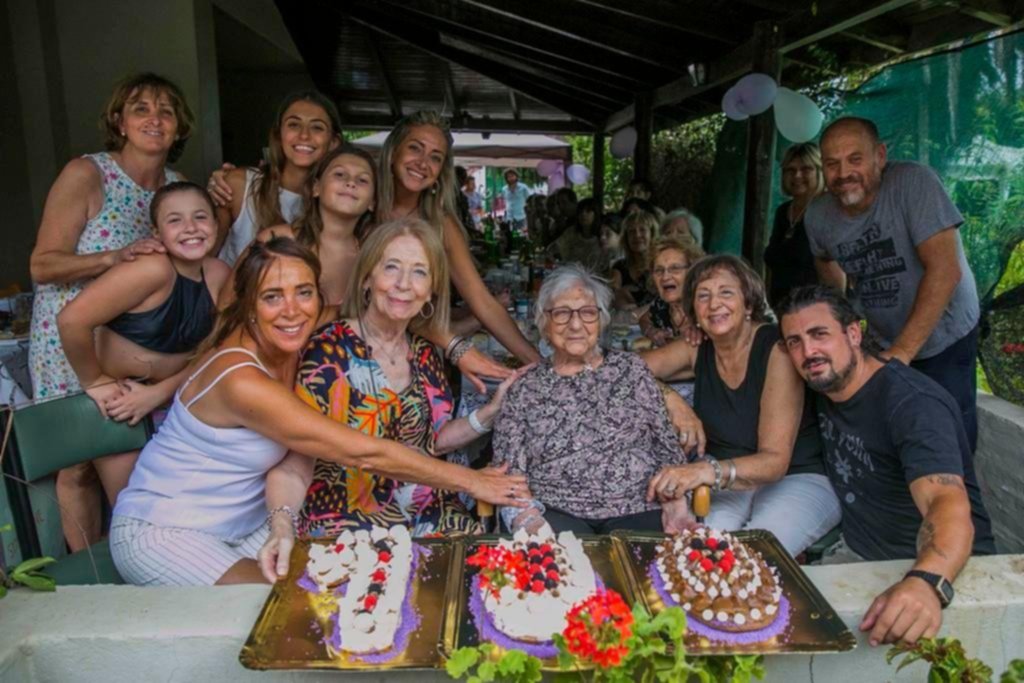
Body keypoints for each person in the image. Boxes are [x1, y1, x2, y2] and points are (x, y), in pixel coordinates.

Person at [109, 237, 528, 586]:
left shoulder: (298, 331)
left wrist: (457, 349)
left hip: (246, 521)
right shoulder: (241, 377)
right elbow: (362, 451)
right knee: (274, 604)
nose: (292, 310)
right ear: (248, 303)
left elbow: (393, 306)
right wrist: (471, 481)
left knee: (343, 585)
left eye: (304, 292)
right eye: (272, 296)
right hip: (164, 528)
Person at [266, 218, 529, 539]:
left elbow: (431, 442)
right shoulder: (327, 353)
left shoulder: (425, 352)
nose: (404, 283)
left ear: (431, 290)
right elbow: (298, 462)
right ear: (367, 278)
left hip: (428, 511)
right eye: (391, 267)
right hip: (349, 519)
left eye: (419, 271)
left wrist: (489, 412)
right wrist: (281, 524)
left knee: (487, 571)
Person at [28, 72, 192, 552]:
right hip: (71, 340)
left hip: (137, 344)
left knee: (131, 455)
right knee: (77, 463)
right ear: (119, 121)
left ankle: (132, 556)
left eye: (166, 111)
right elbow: (42, 265)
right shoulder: (87, 173)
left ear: (180, 127)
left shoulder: (178, 188)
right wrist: (111, 258)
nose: (155, 119)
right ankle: (89, 571)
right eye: (140, 108)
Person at [777, 285, 996, 646]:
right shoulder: (826, 387)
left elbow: (946, 501)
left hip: (925, 568)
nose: (808, 352)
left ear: (853, 333)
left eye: (819, 335)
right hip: (858, 554)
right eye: (795, 342)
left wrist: (927, 582)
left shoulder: (911, 404)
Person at [642, 255, 841, 557]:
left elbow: (774, 462)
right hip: (728, 477)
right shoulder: (698, 348)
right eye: (703, 295)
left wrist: (703, 471)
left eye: (726, 292)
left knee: (748, 556)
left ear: (748, 304)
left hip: (797, 476)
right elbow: (624, 370)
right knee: (698, 549)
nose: (714, 304)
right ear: (693, 309)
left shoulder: (777, 349)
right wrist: (672, 399)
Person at [806, 116, 981, 451]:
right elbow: (825, 260)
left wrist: (901, 352)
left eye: (855, 159)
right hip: (882, 337)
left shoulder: (914, 184)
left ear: (880, 156)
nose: (843, 174)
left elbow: (945, 271)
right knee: (889, 430)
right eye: (832, 164)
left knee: (948, 432)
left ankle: (961, 502)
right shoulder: (818, 215)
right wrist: (842, 322)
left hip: (945, 333)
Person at [493, 265, 690, 535]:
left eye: (587, 312)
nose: (576, 325)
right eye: (562, 313)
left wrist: (675, 501)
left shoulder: (632, 370)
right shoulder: (526, 387)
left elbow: (667, 450)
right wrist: (527, 517)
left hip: (637, 506)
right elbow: (508, 471)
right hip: (555, 512)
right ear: (544, 323)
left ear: (601, 321)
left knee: (652, 573)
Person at [375, 111, 540, 365]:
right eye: (415, 148)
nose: (422, 162)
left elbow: (483, 302)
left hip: (413, 362)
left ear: (441, 171)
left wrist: (539, 366)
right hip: (352, 355)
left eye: (435, 157)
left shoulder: (440, 224)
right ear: (393, 151)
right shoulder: (363, 208)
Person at [58, 182, 229, 426]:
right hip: (120, 403)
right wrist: (95, 381)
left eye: (200, 217)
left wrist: (160, 393)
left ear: (215, 224)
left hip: (181, 399)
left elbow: (217, 349)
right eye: (174, 220)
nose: (190, 228)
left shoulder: (220, 274)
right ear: (157, 233)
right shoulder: (151, 267)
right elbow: (71, 321)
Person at [227, 144, 376, 311]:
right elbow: (226, 305)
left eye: (362, 180)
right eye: (340, 174)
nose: (350, 183)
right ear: (316, 188)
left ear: (372, 201)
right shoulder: (276, 239)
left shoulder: (373, 256)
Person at [209, 91, 342, 265]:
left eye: (317, 127)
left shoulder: (338, 201)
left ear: (333, 142)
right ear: (279, 134)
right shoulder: (239, 184)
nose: (304, 135)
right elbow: (203, 259)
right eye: (294, 125)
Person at [764, 143, 825, 308]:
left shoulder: (828, 211)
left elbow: (836, 282)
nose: (797, 175)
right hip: (782, 310)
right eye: (790, 170)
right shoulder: (783, 212)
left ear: (820, 171)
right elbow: (772, 263)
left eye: (806, 169)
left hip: (815, 312)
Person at [639, 236, 704, 347]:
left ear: (693, 271)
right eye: (659, 270)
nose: (665, 277)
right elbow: (643, 320)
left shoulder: (705, 305)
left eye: (675, 268)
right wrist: (652, 331)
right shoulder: (661, 304)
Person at [611, 210, 657, 308]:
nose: (637, 235)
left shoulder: (662, 265)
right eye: (632, 232)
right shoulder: (620, 266)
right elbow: (612, 297)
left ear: (652, 234)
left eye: (642, 230)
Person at [552, 197, 601, 269]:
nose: (583, 214)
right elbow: (554, 248)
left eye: (588, 211)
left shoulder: (602, 235)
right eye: (580, 211)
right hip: (571, 275)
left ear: (596, 214)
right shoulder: (571, 232)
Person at [501, 168, 531, 232]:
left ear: (516, 176)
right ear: (506, 178)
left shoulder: (523, 187)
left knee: (521, 236)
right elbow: (505, 201)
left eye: (512, 176)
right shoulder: (504, 189)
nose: (511, 178)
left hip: (521, 217)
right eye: (508, 177)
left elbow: (529, 200)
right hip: (509, 218)